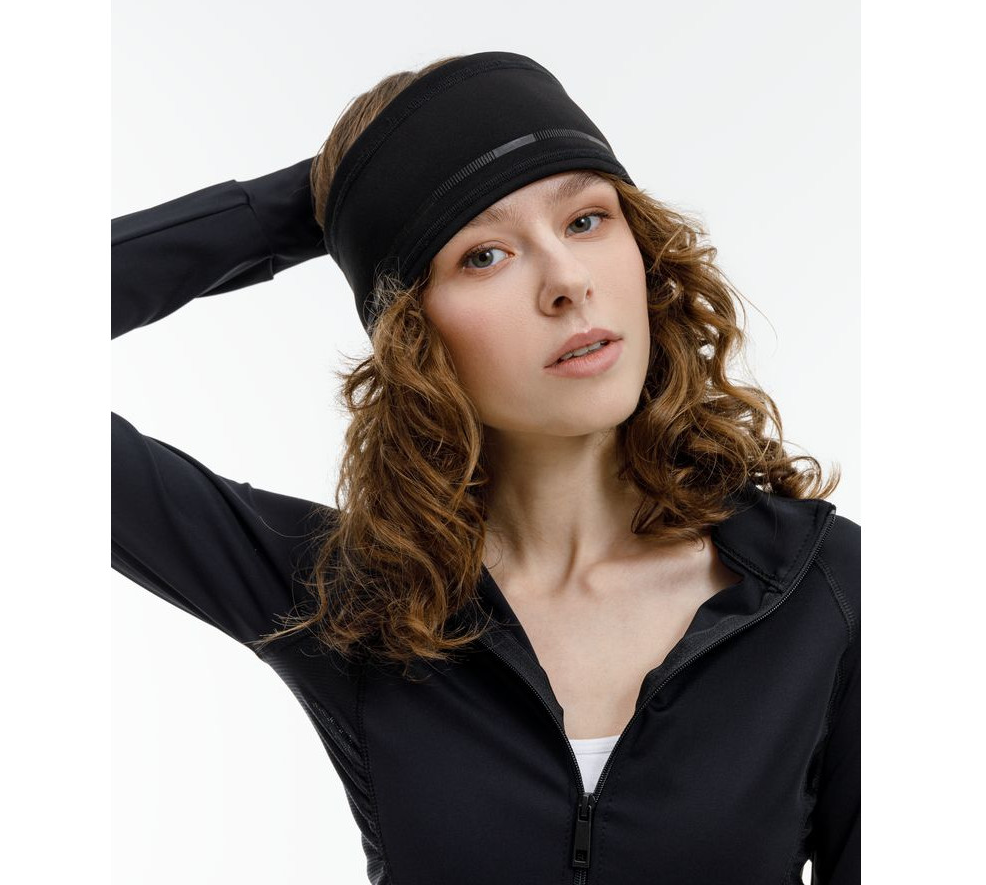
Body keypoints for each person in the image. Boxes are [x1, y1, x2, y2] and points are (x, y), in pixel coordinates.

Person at [112, 51, 860, 884]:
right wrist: (311, 205)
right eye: (484, 255)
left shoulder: (825, 590)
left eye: (586, 220)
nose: (568, 281)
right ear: (409, 335)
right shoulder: (349, 601)